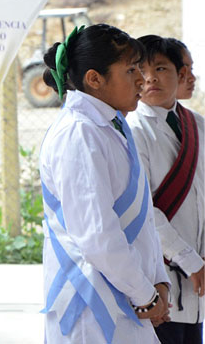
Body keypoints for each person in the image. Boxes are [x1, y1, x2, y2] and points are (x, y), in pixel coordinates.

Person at [39, 23, 170, 343]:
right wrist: (146, 295)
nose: (142, 78)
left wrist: (158, 282)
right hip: (93, 307)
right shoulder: (78, 133)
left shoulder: (110, 125)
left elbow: (140, 216)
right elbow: (97, 235)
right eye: (130, 70)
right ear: (94, 79)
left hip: (125, 299)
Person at [127, 35, 204, 344]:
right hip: (161, 275)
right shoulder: (133, 130)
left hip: (198, 273)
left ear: (180, 73)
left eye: (160, 68)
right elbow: (143, 209)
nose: (150, 78)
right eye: (140, 70)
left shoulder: (198, 125)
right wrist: (189, 259)